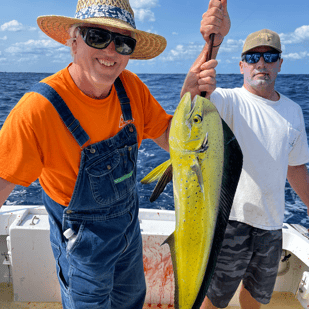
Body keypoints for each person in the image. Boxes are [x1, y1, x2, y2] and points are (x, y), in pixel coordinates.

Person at [0, 0, 218, 308]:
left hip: (128, 228)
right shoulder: (36, 111)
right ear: (73, 42)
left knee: (131, 300)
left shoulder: (131, 87)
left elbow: (172, 141)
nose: (111, 50)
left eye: (124, 42)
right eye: (98, 37)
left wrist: (189, 92)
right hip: (82, 243)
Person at [182, 1, 309, 308]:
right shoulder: (226, 100)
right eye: (253, 57)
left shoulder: (293, 111)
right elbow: (190, 106)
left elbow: (295, 169)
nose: (261, 63)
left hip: (271, 225)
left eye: (269, 56)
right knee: (212, 301)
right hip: (229, 222)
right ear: (241, 65)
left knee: (254, 300)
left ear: (280, 63)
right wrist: (212, 43)